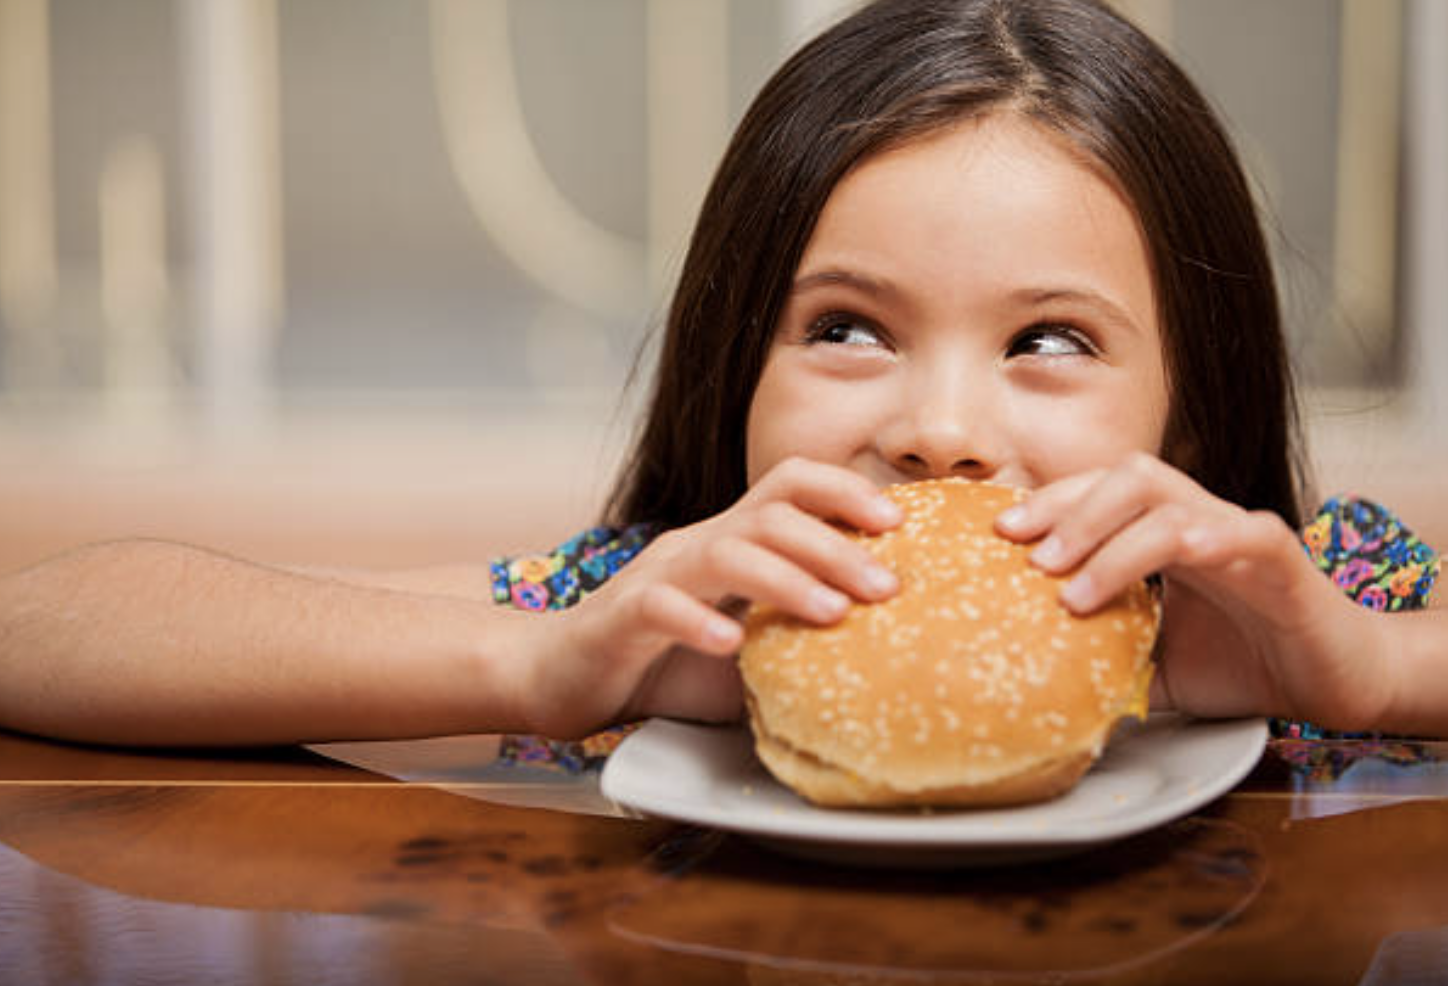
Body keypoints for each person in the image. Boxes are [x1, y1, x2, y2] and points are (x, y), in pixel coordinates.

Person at [0, 0, 1442, 749]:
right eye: (847, 327)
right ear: (727, 366)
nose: (940, 429)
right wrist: (544, 665)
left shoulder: (1310, 607)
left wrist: (1376, 671)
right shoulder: (661, 621)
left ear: (1193, 403)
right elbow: (42, 627)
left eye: (1049, 342)